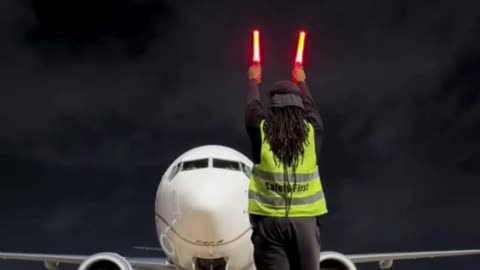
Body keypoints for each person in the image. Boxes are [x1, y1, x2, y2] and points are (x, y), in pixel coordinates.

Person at [245, 62, 328, 270]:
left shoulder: (262, 131)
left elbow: (253, 110)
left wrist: (254, 81)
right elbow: (311, 108)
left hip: (269, 222)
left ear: (272, 106)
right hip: (305, 222)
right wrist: (301, 81)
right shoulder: (312, 132)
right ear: (299, 106)